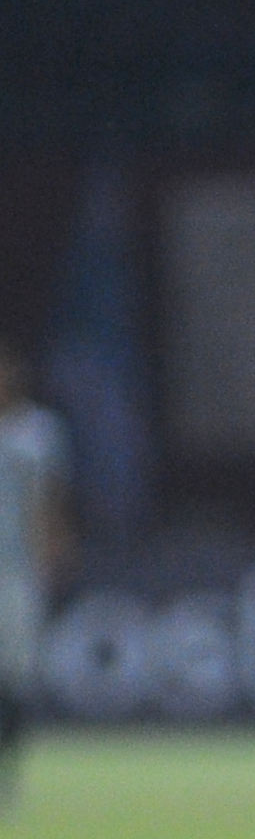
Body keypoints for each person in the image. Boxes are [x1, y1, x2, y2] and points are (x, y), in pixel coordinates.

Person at [0, 340, 76, 808]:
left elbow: (52, 500)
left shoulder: (39, 433)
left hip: (16, 572)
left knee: (16, 675)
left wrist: (55, 551)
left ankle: (9, 773)